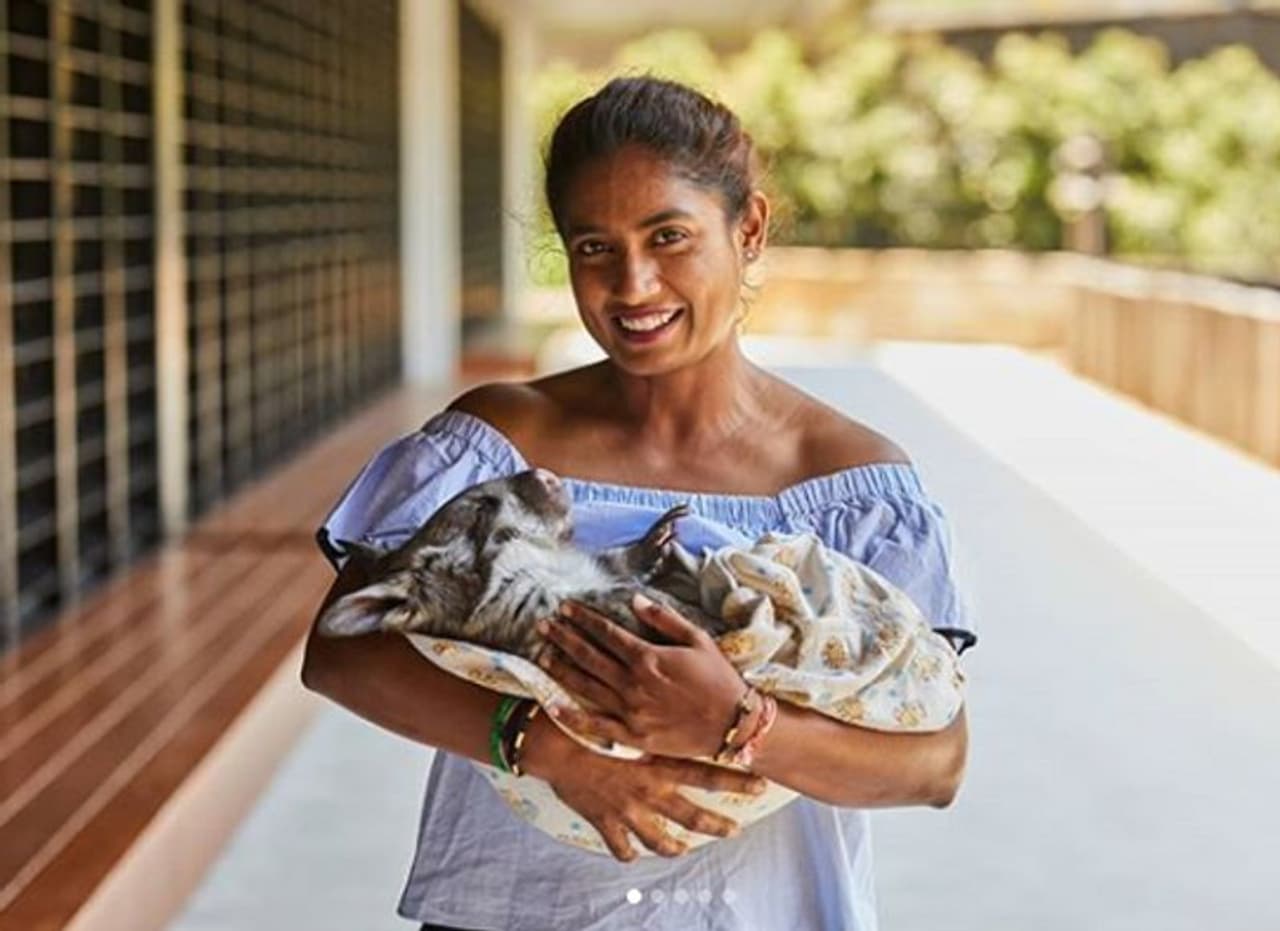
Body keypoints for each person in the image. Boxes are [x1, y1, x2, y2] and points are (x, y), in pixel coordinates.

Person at [302, 75, 976, 931]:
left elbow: (935, 761)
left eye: (669, 236)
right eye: (594, 247)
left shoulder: (853, 488)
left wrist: (734, 723)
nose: (633, 284)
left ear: (750, 230)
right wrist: (547, 750)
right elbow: (341, 648)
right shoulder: (498, 442)